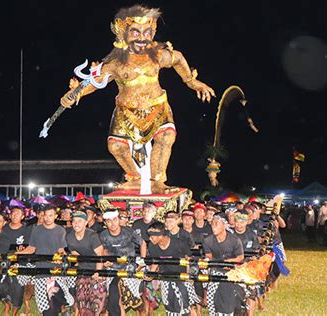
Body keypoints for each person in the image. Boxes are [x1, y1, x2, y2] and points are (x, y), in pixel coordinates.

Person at [61, 4, 215, 194]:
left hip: (157, 107)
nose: (142, 38)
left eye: (147, 32)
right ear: (122, 33)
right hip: (126, 110)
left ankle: (157, 180)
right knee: (115, 146)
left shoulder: (158, 56)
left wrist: (192, 81)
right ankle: (135, 177)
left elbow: (177, 58)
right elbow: (95, 82)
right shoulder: (115, 63)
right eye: (135, 32)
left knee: (166, 137)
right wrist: (75, 94)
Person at [17, 205, 73, 315]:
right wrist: (17, 254)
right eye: (45, 215)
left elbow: (61, 250)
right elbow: (31, 248)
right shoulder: (37, 230)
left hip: (56, 270)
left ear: (55, 216)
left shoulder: (60, 230)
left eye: (50, 215)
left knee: (56, 297)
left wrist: (61, 258)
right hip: (41, 270)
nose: (47, 218)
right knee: (45, 306)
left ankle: (62, 307)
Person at [99, 209, 146, 315]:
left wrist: (141, 263)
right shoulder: (103, 235)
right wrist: (106, 260)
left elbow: (143, 244)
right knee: (113, 295)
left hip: (129, 267)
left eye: (114, 220)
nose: (112, 223)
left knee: (133, 300)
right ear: (105, 223)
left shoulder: (128, 232)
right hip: (112, 269)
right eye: (109, 221)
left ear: (118, 219)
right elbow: (104, 250)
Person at [147, 222, 199, 315]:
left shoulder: (178, 243)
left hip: (181, 277)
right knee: (170, 305)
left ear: (160, 235)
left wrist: (189, 275)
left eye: (152, 236)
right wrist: (151, 273)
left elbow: (188, 259)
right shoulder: (152, 246)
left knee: (185, 305)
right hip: (166, 277)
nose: (150, 238)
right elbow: (156, 261)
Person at [203, 212, 245, 315]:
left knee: (242, 291)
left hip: (232, 270)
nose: (213, 227)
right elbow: (209, 257)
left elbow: (240, 257)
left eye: (217, 224)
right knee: (212, 295)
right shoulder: (207, 241)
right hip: (216, 270)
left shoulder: (235, 240)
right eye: (212, 224)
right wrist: (216, 264)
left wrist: (228, 262)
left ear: (224, 225)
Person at [66, 210, 107, 315]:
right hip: (83, 269)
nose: (76, 223)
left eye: (80, 221)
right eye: (74, 221)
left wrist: (98, 272)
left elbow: (100, 254)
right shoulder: (69, 237)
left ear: (86, 223)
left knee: (96, 298)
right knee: (81, 297)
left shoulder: (92, 235)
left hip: (97, 268)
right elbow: (75, 253)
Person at [0, 207, 32, 316]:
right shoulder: (3, 229)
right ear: (10, 215)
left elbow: (30, 248)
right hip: (4, 261)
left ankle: (15, 310)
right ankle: (6, 304)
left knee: (18, 282)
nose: (14, 216)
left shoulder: (26, 230)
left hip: (20, 262)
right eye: (13, 213)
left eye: (18, 214)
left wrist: (23, 252)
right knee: (0, 280)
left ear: (23, 217)